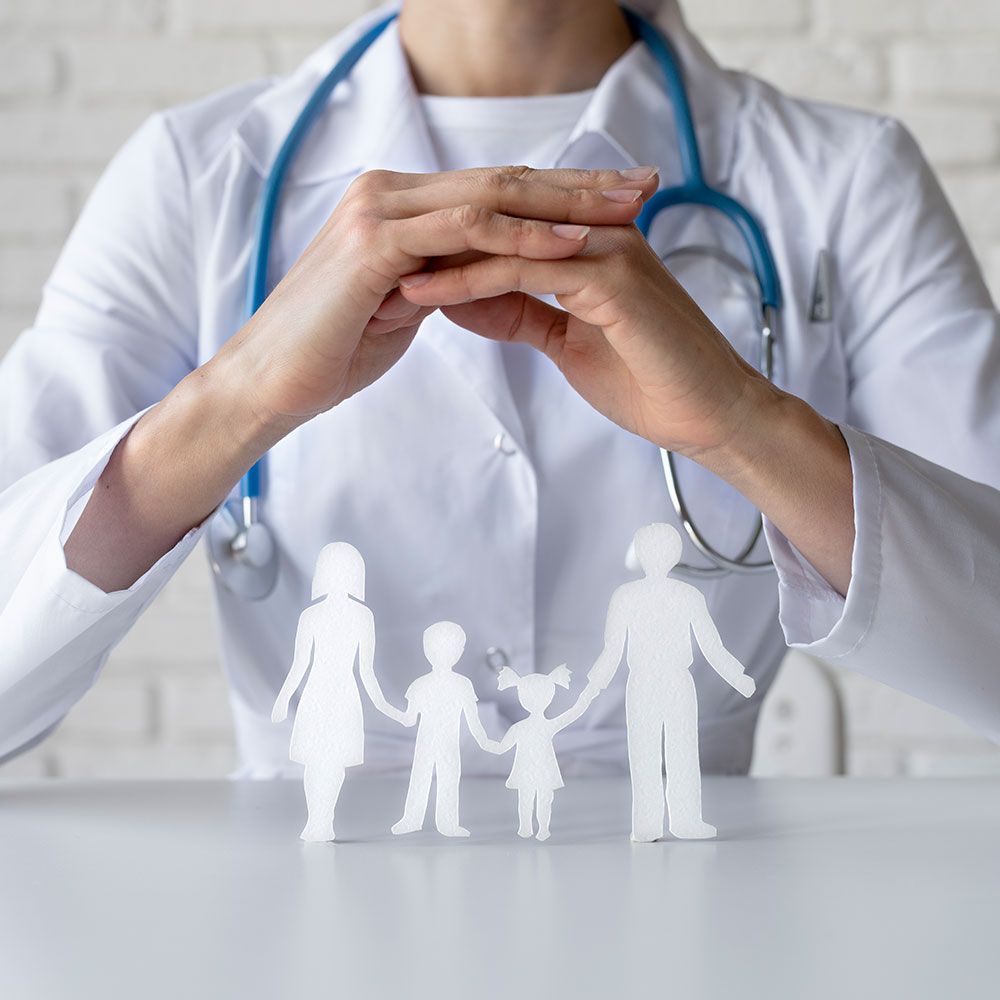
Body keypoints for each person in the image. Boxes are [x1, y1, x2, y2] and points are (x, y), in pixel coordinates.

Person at [1, 0, 999, 781]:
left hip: (697, 909)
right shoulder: (197, 174)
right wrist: (239, 399)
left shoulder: (844, 178)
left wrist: (743, 425)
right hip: (308, 917)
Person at [589, 523, 754, 842]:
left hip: (668, 682)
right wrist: (593, 684)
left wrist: (739, 677)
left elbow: (710, 646)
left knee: (666, 751)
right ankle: (655, 823)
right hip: (653, 682)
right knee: (662, 752)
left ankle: (680, 821)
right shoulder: (662, 595)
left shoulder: (659, 596)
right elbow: (711, 647)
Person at [271, 542, 400, 841]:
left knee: (333, 761)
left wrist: (386, 707)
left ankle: (325, 818)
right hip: (318, 695)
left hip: (343, 696)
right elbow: (300, 665)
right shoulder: (311, 617)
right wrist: (282, 699)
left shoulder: (362, 617)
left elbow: (366, 671)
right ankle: (315, 818)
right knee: (315, 760)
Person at [390, 621, 493, 837]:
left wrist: (485, 742)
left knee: (448, 779)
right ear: (426, 650)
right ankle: (411, 819)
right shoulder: (420, 685)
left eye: (451, 648)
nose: (444, 653)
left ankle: (448, 824)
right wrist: (386, 708)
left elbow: (473, 721)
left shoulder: (462, 685)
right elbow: (409, 719)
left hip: (449, 746)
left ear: (460, 652)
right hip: (426, 745)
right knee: (421, 778)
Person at [485, 664, 598, 841]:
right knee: (538, 798)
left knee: (531, 798)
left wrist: (484, 742)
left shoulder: (522, 727)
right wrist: (588, 695)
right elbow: (574, 712)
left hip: (536, 768)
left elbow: (500, 748)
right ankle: (533, 828)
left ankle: (533, 828)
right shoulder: (543, 726)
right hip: (539, 769)